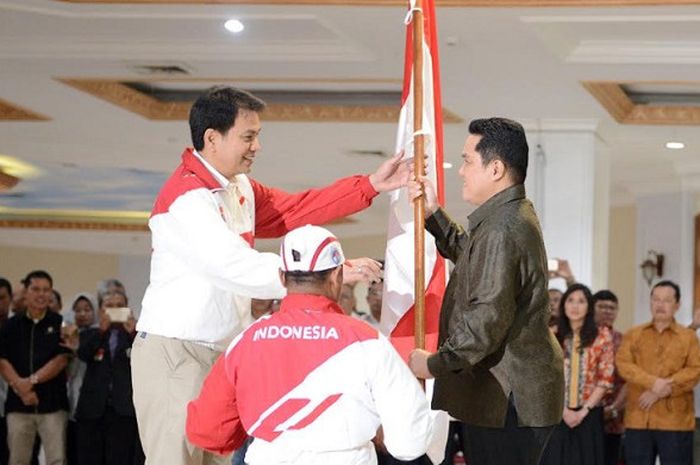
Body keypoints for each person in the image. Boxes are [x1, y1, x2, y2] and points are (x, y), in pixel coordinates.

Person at [132, 86, 410, 465]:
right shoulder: (186, 199)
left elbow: (292, 211)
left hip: (219, 350)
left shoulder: (237, 187)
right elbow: (236, 267)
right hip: (178, 351)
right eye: (248, 136)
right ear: (212, 138)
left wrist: (369, 186)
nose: (257, 146)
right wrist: (330, 273)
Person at [186, 225, 433, 465]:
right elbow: (410, 443)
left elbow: (208, 431)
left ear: (282, 277)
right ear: (337, 276)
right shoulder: (367, 340)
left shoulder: (247, 340)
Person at [406, 117, 564, 465]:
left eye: (467, 161)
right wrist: (433, 214)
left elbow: (485, 322)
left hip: (507, 396)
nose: (461, 171)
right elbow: (472, 257)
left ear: (495, 169)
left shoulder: (503, 227)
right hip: (510, 393)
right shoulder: (506, 218)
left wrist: (433, 364)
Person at [616, 280, 700, 465]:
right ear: (650, 302)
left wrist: (664, 388)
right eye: (656, 299)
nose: (660, 305)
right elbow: (623, 364)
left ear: (677, 305)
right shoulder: (634, 334)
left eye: (666, 300)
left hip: (676, 420)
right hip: (638, 418)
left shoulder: (689, 337)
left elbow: (695, 370)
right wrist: (653, 383)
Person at [0, 270, 71, 465]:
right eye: (36, 289)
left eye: (46, 290)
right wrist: (20, 388)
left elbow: (62, 359)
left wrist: (30, 382)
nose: (41, 294)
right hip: (18, 407)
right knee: (17, 460)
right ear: (25, 292)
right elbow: (3, 361)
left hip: (53, 407)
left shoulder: (61, 324)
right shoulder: (10, 325)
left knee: (56, 459)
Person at [540, 284, 615, 465]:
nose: (575, 306)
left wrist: (582, 412)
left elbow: (605, 379)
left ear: (589, 306)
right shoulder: (551, 335)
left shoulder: (602, 336)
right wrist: (564, 411)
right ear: (563, 305)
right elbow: (543, 378)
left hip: (588, 414)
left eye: (581, 301)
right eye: (571, 300)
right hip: (556, 414)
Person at [76, 290, 142, 465]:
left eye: (119, 306)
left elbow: (145, 360)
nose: (114, 310)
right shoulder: (90, 334)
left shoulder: (137, 337)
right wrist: (101, 332)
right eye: (109, 306)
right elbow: (83, 354)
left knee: (120, 458)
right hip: (93, 410)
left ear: (128, 308)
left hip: (124, 410)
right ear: (100, 310)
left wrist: (133, 334)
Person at [592, 290, 626, 465]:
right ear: (592, 308)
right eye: (602, 306)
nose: (607, 311)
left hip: (613, 419)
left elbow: (629, 381)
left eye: (611, 308)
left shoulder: (623, 340)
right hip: (581, 418)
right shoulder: (582, 337)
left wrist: (613, 409)